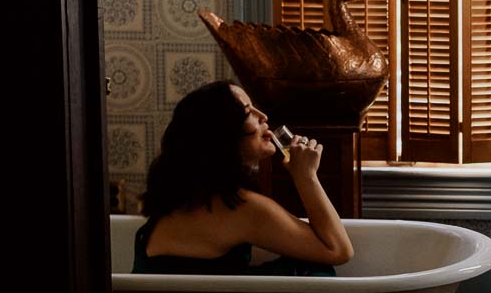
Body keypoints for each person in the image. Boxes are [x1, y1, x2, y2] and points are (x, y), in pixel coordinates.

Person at [132, 80, 354, 276]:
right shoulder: (238, 208)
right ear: (224, 133)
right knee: (316, 271)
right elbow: (339, 250)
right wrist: (306, 176)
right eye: (249, 112)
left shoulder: (181, 195)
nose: (263, 116)